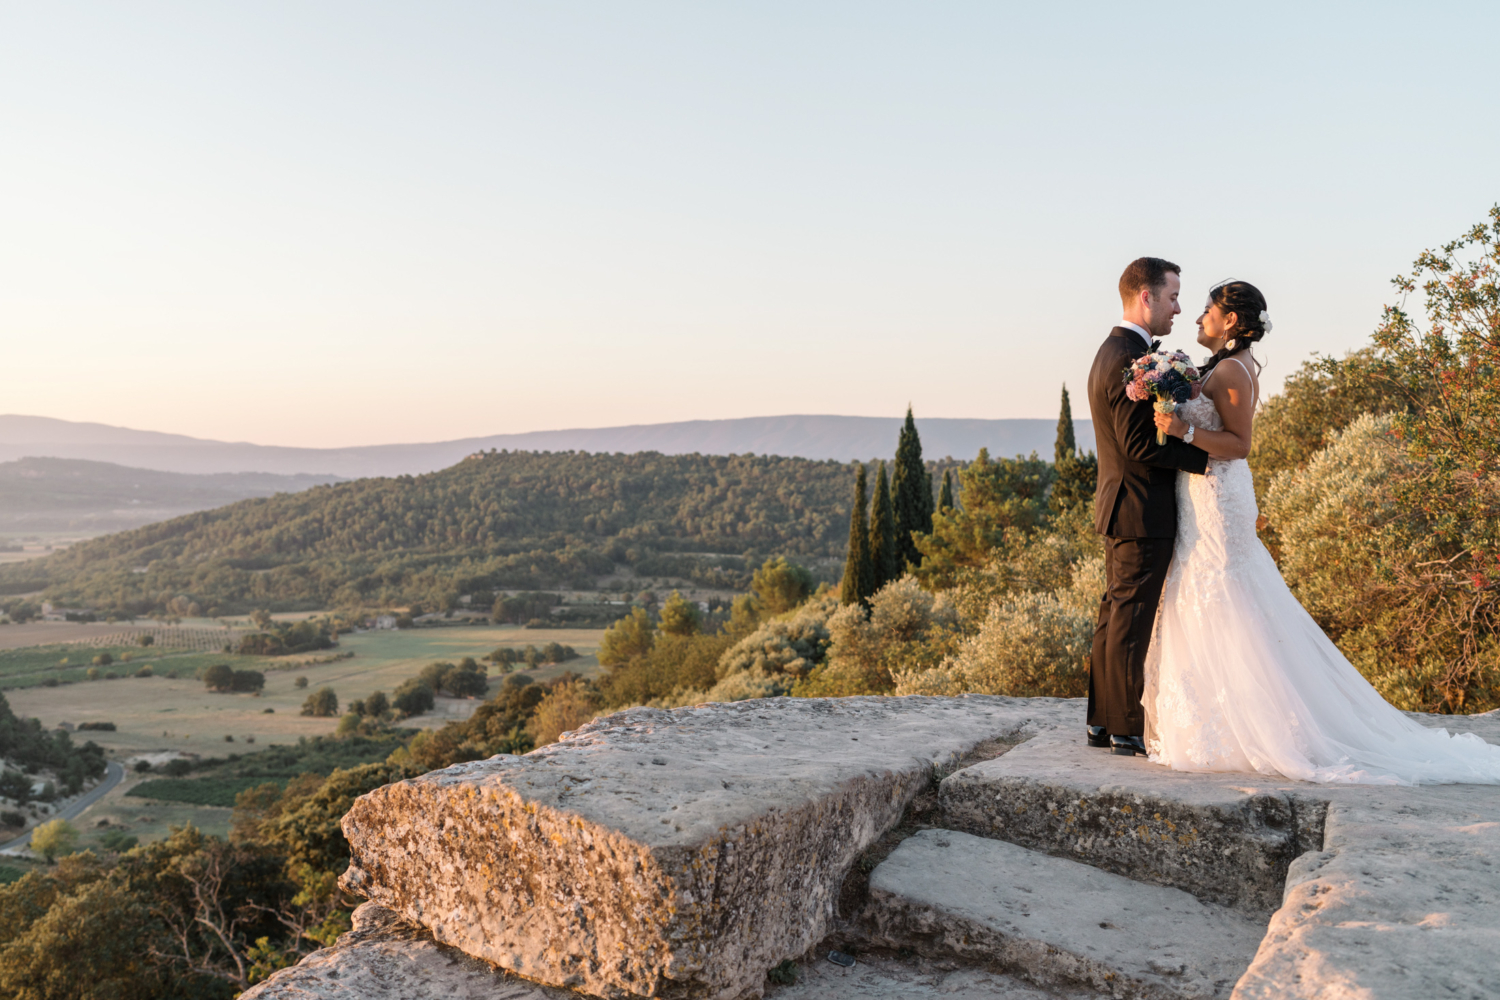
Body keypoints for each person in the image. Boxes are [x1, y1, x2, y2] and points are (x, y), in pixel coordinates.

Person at [1146, 279, 1500, 783]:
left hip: (1219, 498)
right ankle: (1222, 718)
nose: (1199, 317)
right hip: (1205, 495)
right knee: (1220, 596)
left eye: (1207, 310)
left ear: (1230, 321)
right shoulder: (1227, 364)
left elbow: (1239, 443)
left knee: (1224, 596)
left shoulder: (1229, 368)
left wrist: (1182, 430)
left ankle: (1254, 725)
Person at [1085, 258, 1209, 756]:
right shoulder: (1129, 359)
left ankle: (1100, 721)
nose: (1179, 308)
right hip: (1141, 507)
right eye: (1173, 296)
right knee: (1131, 618)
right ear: (1146, 297)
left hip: (1123, 506)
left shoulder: (1111, 351)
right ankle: (1124, 728)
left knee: (1115, 612)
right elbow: (1140, 445)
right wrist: (1205, 456)